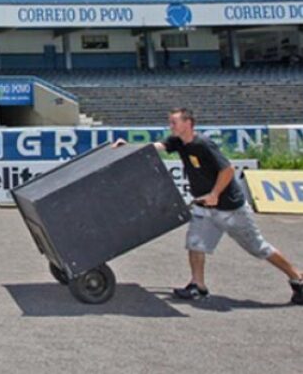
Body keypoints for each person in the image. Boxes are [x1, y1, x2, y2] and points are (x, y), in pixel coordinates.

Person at [114, 108, 302, 305]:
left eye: (174, 122)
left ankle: (296, 276)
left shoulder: (203, 144)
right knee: (195, 244)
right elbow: (156, 146)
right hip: (205, 208)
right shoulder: (178, 141)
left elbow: (227, 169)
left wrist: (215, 194)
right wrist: (130, 146)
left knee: (258, 248)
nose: (171, 126)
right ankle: (198, 286)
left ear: (188, 123)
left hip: (230, 209)